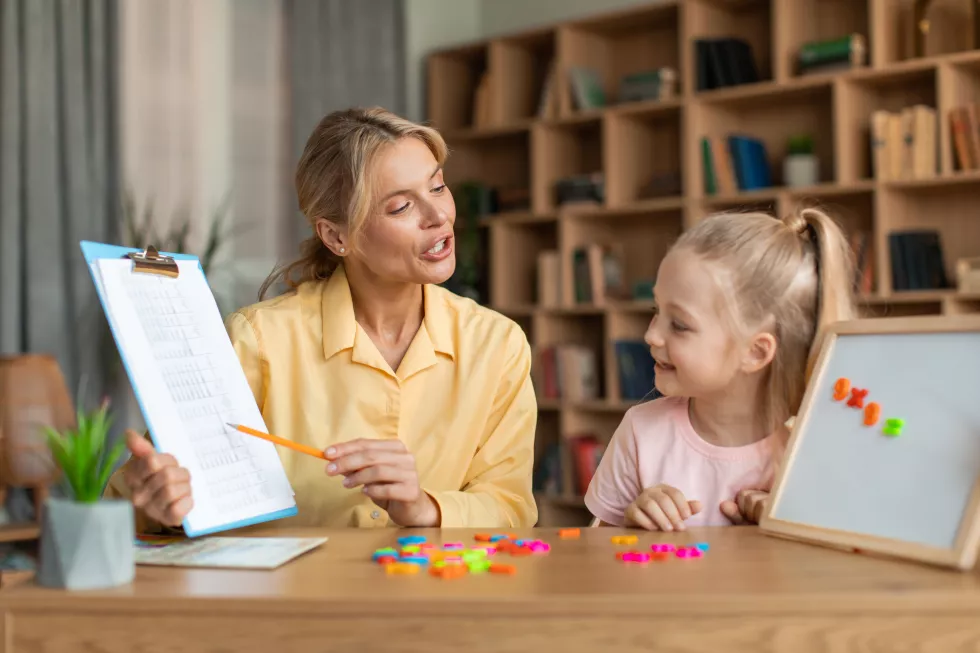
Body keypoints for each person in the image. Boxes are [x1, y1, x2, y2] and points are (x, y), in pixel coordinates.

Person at [106, 107, 538, 530]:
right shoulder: (258, 340)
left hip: (433, 596)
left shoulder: (498, 344)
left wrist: (425, 509)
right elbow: (148, 493)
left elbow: (511, 506)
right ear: (336, 236)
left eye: (438, 187)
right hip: (287, 600)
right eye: (402, 206)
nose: (439, 215)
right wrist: (156, 501)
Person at [584, 208, 855, 530]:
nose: (651, 334)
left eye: (680, 325)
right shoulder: (641, 431)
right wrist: (633, 521)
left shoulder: (810, 449)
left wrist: (787, 523)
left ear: (755, 352)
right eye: (656, 309)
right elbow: (598, 556)